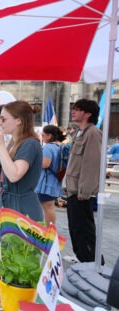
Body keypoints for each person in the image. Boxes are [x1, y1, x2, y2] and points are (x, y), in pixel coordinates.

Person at [0, 101, 43, 255]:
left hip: (20, 207)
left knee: (14, 260)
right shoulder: (15, 142)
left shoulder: (30, 144)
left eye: (4, 119)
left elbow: (14, 175)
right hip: (6, 203)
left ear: (18, 120)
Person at [64, 99, 102, 264]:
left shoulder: (93, 133)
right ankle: (81, 256)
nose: (73, 112)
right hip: (73, 188)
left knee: (84, 228)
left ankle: (92, 261)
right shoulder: (79, 132)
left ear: (88, 114)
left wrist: (85, 191)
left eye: (78, 109)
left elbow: (91, 164)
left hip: (81, 192)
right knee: (75, 227)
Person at [35, 125, 66, 226]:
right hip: (54, 181)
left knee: (48, 208)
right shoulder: (59, 146)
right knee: (50, 207)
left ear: (49, 136)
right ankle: (51, 230)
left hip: (46, 183)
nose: (42, 136)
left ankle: (50, 231)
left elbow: (45, 164)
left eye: (43, 135)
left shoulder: (48, 147)